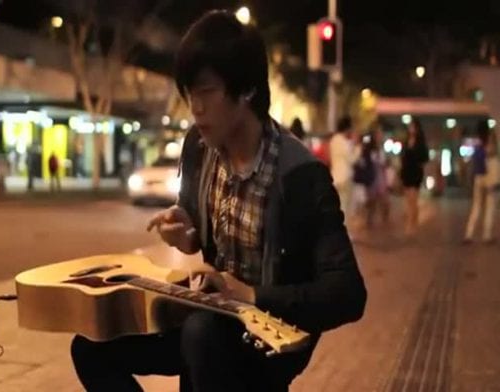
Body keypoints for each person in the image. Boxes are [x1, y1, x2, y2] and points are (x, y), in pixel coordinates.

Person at [71, 10, 367, 392]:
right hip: (211, 318)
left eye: (205, 92)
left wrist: (251, 294)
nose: (194, 107)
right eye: (188, 93)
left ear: (246, 91)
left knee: (201, 335)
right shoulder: (199, 146)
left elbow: (347, 293)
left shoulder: (301, 176)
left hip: (269, 338)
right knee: (92, 347)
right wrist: (188, 234)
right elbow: (195, 223)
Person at [464, 120, 499, 244]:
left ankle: (469, 234)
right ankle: (487, 235)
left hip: (479, 177)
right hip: (489, 177)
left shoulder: (477, 144)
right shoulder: (491, 142)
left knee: (476, 206)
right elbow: (493, 160)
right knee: (490, 206)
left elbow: (475, 164)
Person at [399, 118, 429, 234]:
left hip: (415, 172)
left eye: (412, 126)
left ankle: (412, 224)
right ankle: (411, 222)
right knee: (408, 200)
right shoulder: (406, 141)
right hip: (406, 172)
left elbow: (424, 158)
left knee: (413, 199)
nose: (410, 129)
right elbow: (403, 157)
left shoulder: (420, 142)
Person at [329, 115, 361, 216]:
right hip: (345, 178)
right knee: (344, 209)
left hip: (335, 178)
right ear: (347, 128)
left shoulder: (334, 140)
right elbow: (352, 159)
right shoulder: (344, 142)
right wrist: (357, 147)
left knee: (337, 208)